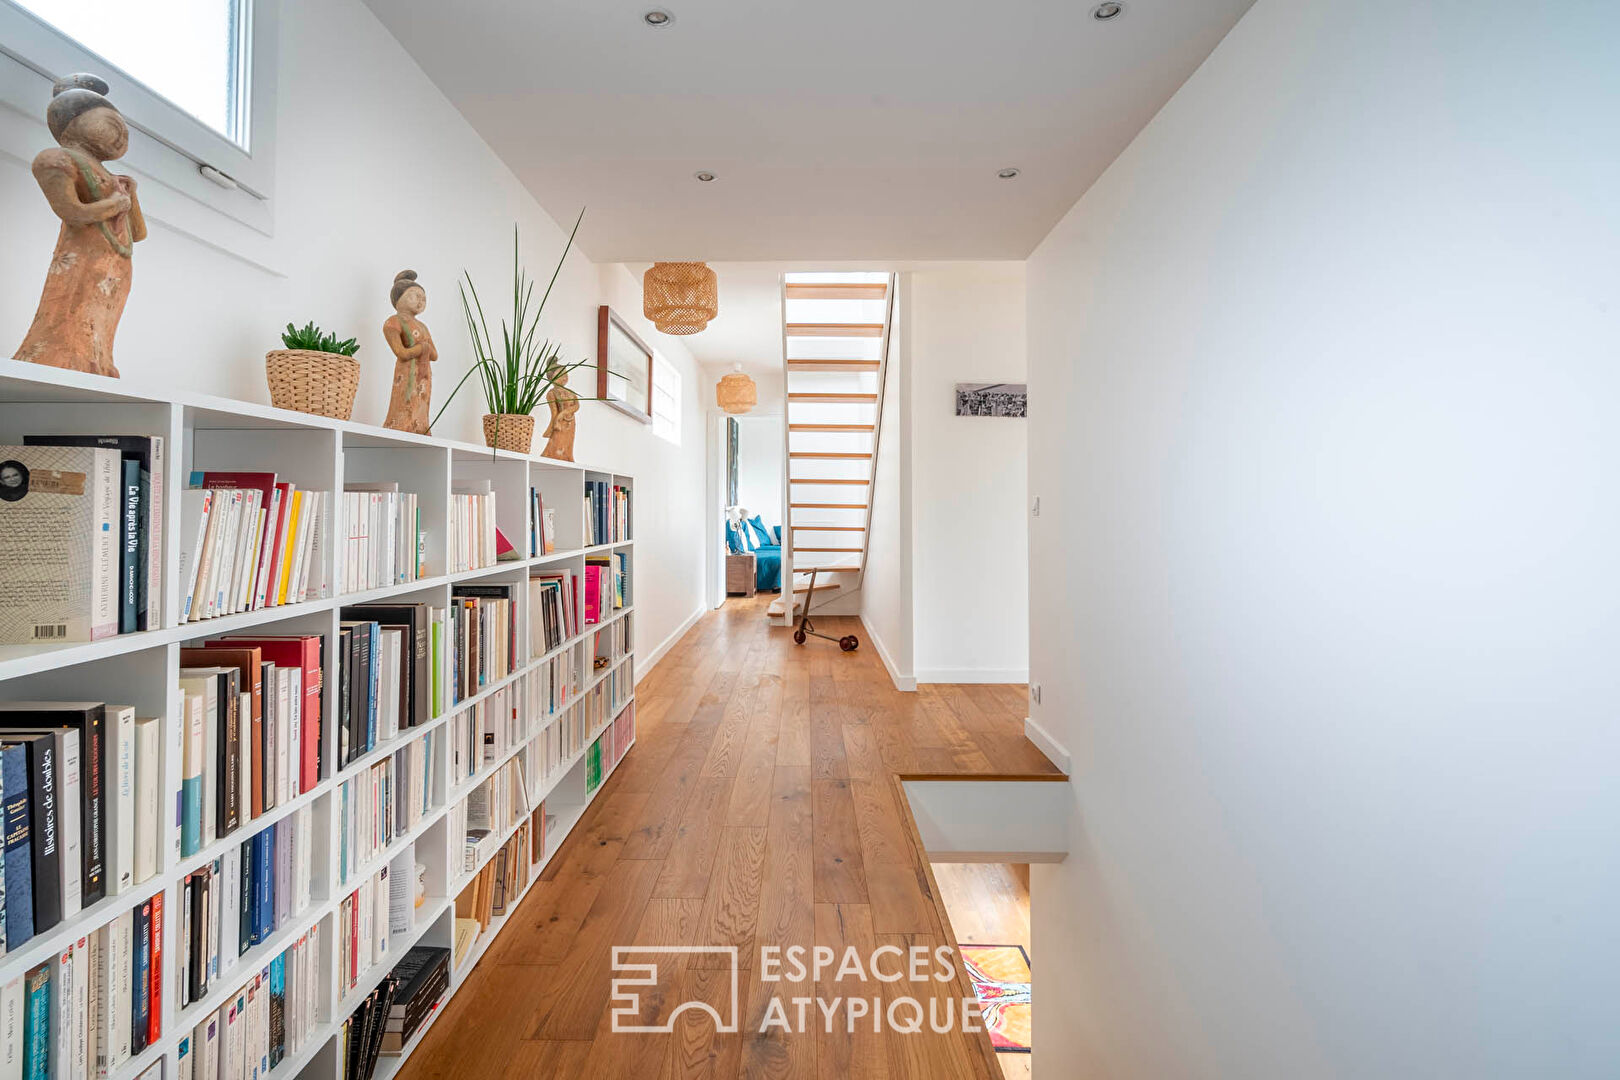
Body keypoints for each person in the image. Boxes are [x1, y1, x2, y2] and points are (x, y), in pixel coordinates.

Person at [12, 74, 146, 377]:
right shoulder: (58, 159)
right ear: (73, 123)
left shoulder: (116, 180)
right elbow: (70, 212)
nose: (121, 136)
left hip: (117, 269)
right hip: (82, 261)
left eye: (125, 132)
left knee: (103, 318)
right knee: (71, 310)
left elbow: (138, 234)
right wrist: (115, 204)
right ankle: (61, 360)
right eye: (112, 126)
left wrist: (130, 195)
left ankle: (99, 363)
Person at [382, 270, 438, 433]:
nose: (420, 301)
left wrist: (425, 349)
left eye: (424, 298)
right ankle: (401, 425)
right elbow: (401, 353)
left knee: (421, 400)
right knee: (405, 399)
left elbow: (434, 355)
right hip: (406, 374)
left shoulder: (423, 326)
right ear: (398, 299)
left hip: (424, 375)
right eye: (414, 295)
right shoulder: (393, 322)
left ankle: (421, 427)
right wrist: (422, 348)